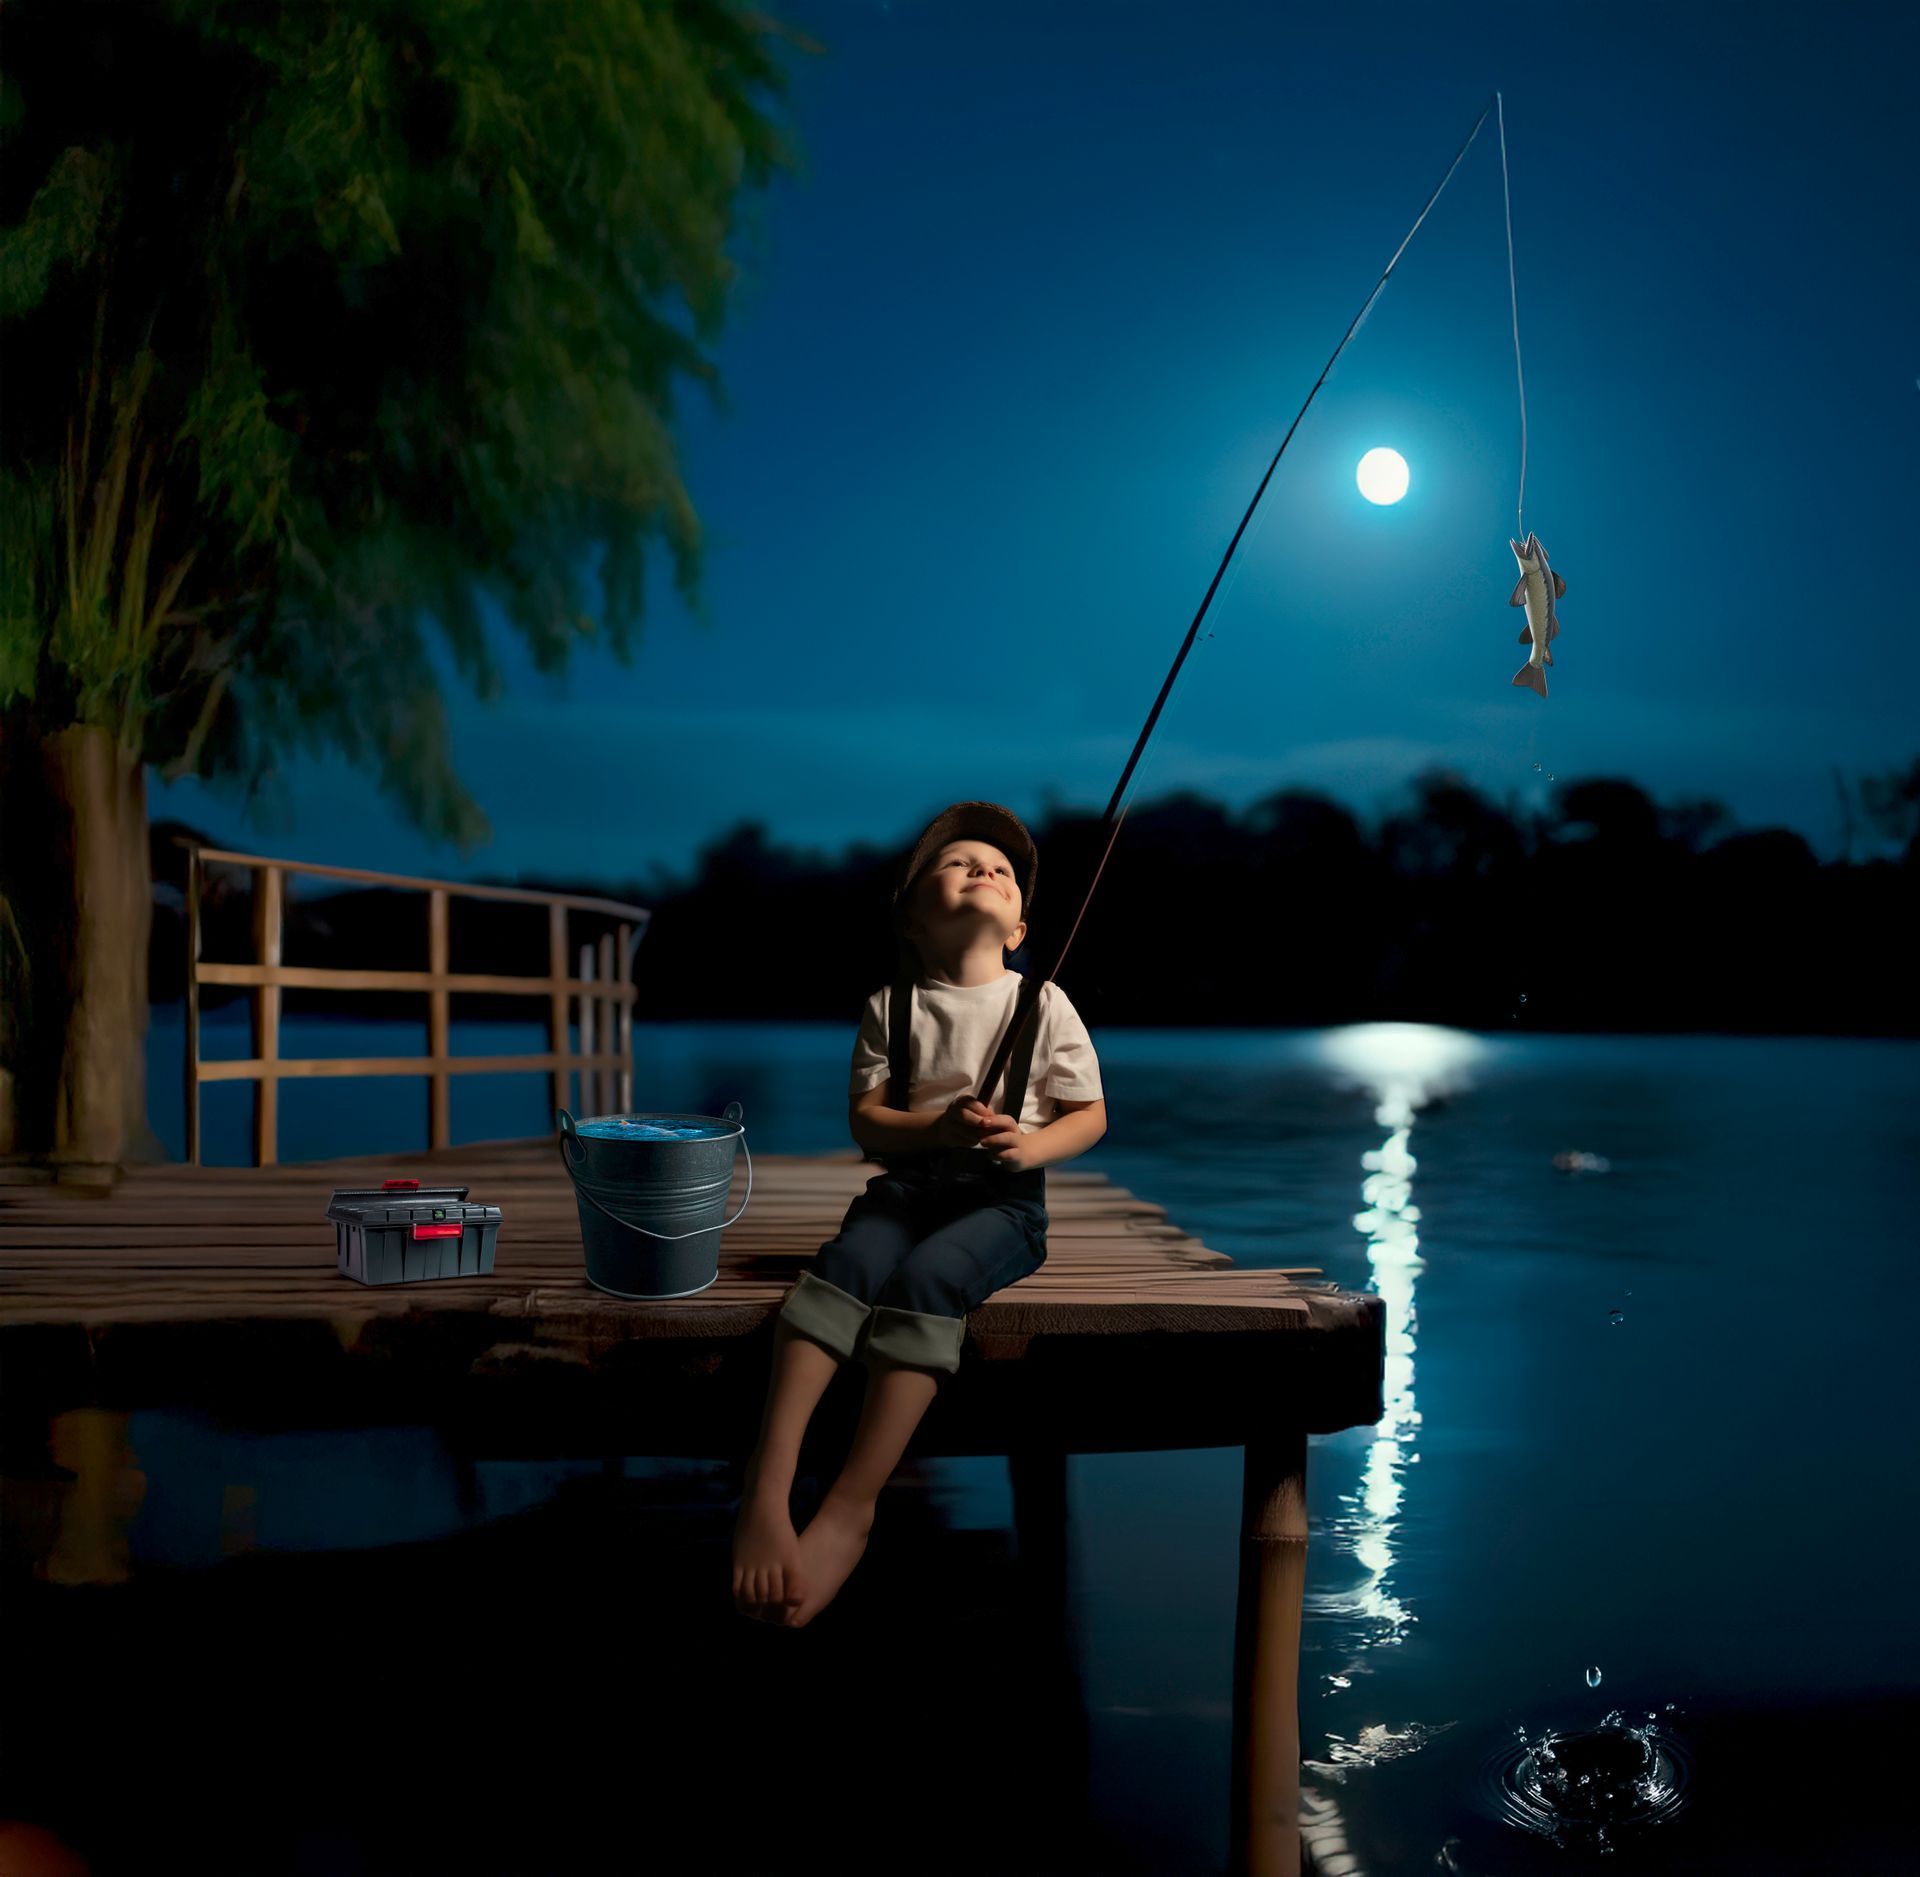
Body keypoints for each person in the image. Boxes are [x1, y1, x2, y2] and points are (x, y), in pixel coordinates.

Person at [731, 800, 1107, 1628]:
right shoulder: (891, 1007)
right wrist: (933, 1127)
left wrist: (1029, 1147)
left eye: (1002, 871)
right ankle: (769, 1475)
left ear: (1018, 928)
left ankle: (851, 1504)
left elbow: (1088, 1113)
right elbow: (867, 1121)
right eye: (960, 862)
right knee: (850, 1263)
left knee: (929, 1277)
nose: (985, 870)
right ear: (911, 916)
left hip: (1001, 1204)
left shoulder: (1042, 1004)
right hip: (908, 1187)